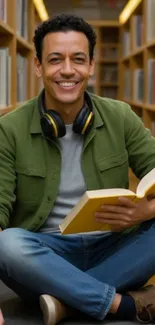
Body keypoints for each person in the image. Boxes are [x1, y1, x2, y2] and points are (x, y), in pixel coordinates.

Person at [0, 13, 155, 325]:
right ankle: (121, 304)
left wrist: (145, 213)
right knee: (7, 244)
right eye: (55, 59)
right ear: (39, 67)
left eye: (78, 59)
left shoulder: (121, 117)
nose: (67, 70)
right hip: (44, 254)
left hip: (112, 247)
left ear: (92, 66)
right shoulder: (9, 128)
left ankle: (66, 300)